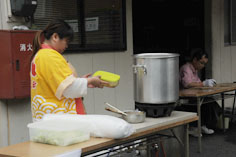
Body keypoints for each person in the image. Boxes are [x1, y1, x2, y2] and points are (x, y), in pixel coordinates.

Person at [30, 19, 109, 122]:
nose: (66, 46)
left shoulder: (40, 55)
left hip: (48, 119)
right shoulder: (50, 56)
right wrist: (90, 81)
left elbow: (60, 84)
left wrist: (82, 81)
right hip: (59, 122)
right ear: (55, 37)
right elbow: (69, 89)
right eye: (66, 42)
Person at [179, 48, 221, 135]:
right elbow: (187, 84)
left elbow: (197, 83)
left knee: (210, 101)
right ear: (195, 60)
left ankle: (202, 125)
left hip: (193, 95)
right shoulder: (186, 68)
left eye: (205, 64)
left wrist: (205, 83)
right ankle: (194, 127)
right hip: (184, 97)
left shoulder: (195, 70)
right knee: (206, 103)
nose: (203, 66)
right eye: (201, 63)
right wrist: (203, 84)